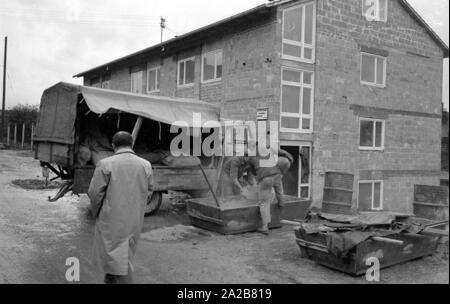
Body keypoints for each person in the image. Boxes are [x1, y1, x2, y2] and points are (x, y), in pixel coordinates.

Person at [88, 131, 153, 284]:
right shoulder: (145, 165)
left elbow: (95, 193)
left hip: (112, 221)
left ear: (113, 145)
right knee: (119, 258)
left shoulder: (105, 164)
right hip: (134, 221)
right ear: (131, 144)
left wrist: (96, 213)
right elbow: (149, 192)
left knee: (119, 263)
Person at [249, 148, 293, 236]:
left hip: (265, 179)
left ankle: (264, 227)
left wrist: (259, 174)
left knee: (264, 203)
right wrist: (289, 157)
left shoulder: (251, 156)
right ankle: (281, 211)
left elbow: (253, 172)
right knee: (280, 194)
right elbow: (282, 152)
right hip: (277, 175)